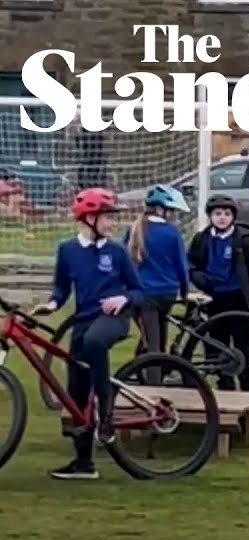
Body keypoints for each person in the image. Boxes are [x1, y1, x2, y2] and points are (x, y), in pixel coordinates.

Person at [34, 188, 142, 477]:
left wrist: (124, 299)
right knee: (76, 390)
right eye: (107, 217)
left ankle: (106, 416)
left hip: (114, 319)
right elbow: (61, 287)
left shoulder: (117, 251)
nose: (112, 223)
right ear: (89, 218)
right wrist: (52, 304)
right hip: (82, 321)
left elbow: (139, 289)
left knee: (95, 342)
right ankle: (84, 463)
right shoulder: (67, 250)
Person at [187, 195, 249, 391]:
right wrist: (200, 279)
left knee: (243, 344)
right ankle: (225, 383)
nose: (222, 218)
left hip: (239, 298)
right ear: (210, 217)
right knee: (217, 343)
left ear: (233, 216)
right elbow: (191, 263)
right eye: (217, 214)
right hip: (214, 298)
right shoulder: (202, 239)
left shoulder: (244, 240)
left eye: (226, 214)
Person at [124, 184, 191, 362]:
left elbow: (123, 263)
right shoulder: (171, 233)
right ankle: (155, 378)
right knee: (158, 340)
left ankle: (153, 380)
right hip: (166, 294)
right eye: (172, 211)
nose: (173, 215)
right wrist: (185, 292)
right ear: (162, 210)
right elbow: (181, 266)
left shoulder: (134, 230)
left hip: (143, 294)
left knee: (152, 344)